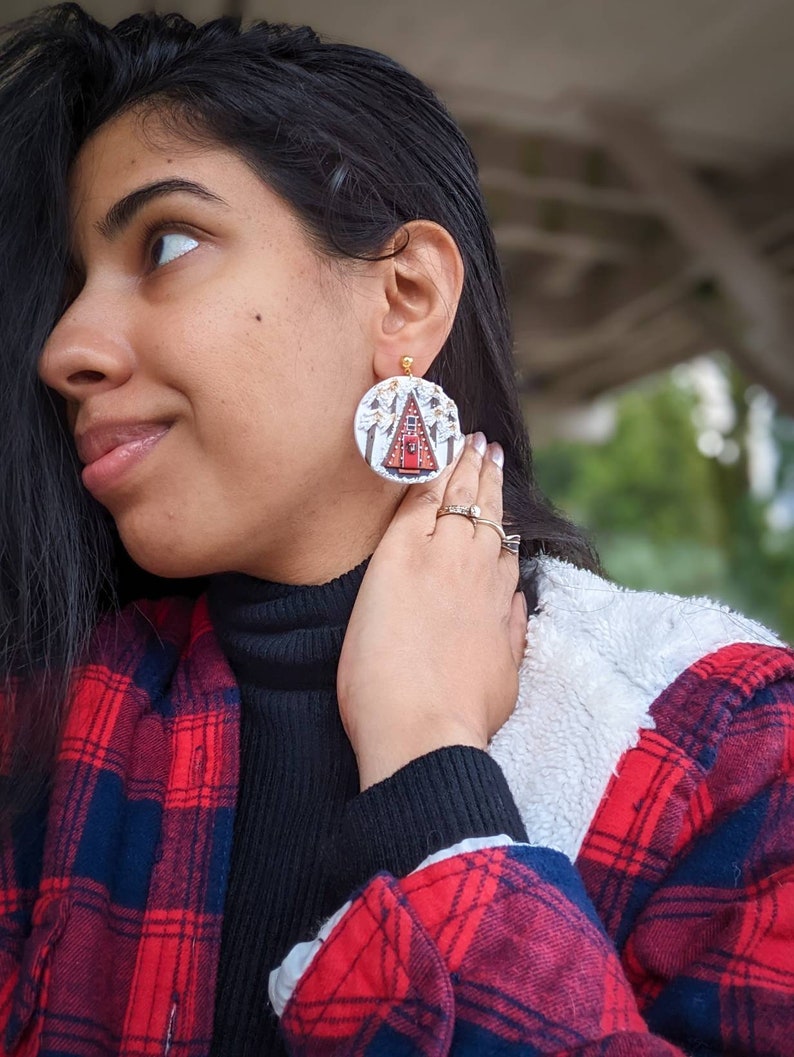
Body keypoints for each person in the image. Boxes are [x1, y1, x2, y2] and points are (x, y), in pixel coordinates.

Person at [0, 4, 792, 1055]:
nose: (65, 348)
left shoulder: (723, 743)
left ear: (406, 295)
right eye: (66, 288)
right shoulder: (45, 723)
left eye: (168, 242)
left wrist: (430, 771)